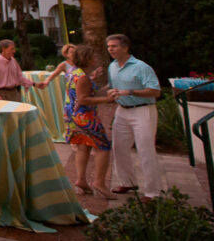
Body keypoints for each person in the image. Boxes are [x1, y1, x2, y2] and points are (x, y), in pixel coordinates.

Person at [105, 33, 161, 198]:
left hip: (142, 110)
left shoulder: (141, 67)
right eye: (109, 47)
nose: (110, 49)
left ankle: (152, 192)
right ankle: (127, 182)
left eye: (114, 46)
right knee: (119, 148)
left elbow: (156, 91)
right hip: (122, 110)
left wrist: (129, 91)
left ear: (125, 47)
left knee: (145, 150)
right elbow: (112, 85)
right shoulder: (112, 66)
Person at [64, 45, 114, 198]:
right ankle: (99, 182)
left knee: (83, 147)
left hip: (74, 115)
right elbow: (84, 99)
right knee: (103, 146)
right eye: (94, 56)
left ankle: (81, 180)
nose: (97, 58)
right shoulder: (83, 77)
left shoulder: (76, 73)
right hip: (85, 117)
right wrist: (107, 98)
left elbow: (85, 92)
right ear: (88, 59)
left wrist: (104, 87)